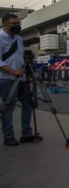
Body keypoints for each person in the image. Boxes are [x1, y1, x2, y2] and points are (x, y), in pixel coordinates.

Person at [0, 14, 40, 146]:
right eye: (14, 24)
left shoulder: (18, 38)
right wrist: (13, 71)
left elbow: (21, 57)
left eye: (19, 23)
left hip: (21, 77)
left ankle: (26, 134)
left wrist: (25, 72)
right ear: (6, 25)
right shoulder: (0, 38)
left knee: (28, 104)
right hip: (6, 78)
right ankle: (9, 136)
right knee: (8, 107)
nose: (18, 26)